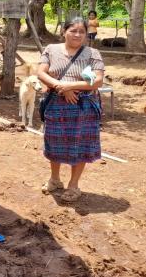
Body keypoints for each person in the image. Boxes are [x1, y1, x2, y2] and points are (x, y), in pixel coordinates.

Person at [37, 17, 105, 202]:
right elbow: (41, 73)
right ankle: (55, 179)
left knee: (80, 144)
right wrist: (62, 87)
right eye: (73, 30)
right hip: (56, 105)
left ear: (86, 34)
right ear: (64, 31)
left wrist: (70, 86)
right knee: (54, 141)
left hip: (84, 107)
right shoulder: (51, 50)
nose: (77, 34)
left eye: (81, 31)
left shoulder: (92, 53)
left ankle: (74, 185)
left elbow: (97, 81)